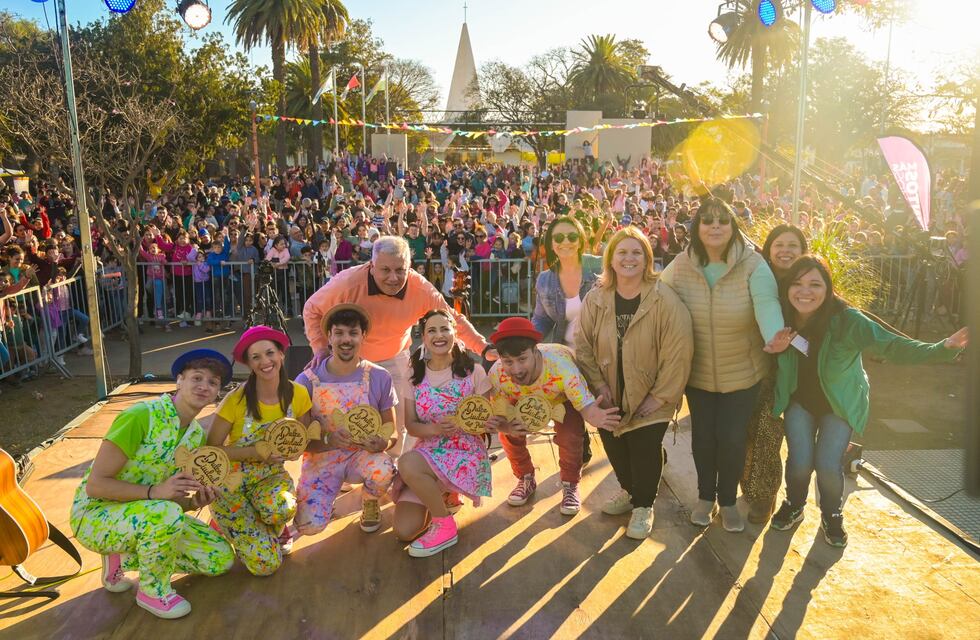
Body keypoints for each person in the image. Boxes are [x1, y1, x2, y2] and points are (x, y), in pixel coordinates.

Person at [764, 256, 968, 547]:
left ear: (829, 288)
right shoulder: (779, 315)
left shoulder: (848, 320)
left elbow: (891, 345)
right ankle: (795, 504)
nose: (804, 291)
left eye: (814, 284)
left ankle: (832, 514)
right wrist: (773, 349)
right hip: (799, 401)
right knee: (799, 462)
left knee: (826, 465)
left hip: (840, 404)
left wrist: (942, 348)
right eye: (797, 284)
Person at [70, 349, 235, 620]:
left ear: (217, 392)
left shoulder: (195, 436)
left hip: (149, 515)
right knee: (166, 514)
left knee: (219, 559)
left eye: (213, 382)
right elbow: (95, 486)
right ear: (179, 380)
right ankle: (152, 591)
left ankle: (121, 556)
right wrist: (154, 492)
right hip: (96, 515)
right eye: (197, 378)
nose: (204, 386)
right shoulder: (141, 416)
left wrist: (194, 502)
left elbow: (169, 499)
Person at [302, 236, 493, 456]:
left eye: (400, 270)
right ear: (372, 266)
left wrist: (484, 348)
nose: (393, 278)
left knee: (398, 419)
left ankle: (390, 469)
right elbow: (311, 309)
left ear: (409, 268)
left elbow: (453, 320)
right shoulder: (348, 282)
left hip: (396, 356)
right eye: (385, 270)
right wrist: (320, 348)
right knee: (346, 418)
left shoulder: (420, 288)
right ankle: (346, 467)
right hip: (351, 360)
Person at [659, 197, 783, 533]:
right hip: (697, 375)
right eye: (707, 220)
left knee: (731, 439)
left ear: (733, 226)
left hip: (742, 375)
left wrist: (773, 336)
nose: (715, 226)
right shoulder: (682, 264)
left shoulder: (753, 265)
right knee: (703, 438)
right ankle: (705, 498)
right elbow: (656, 298)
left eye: (722, 220)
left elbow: (767, 305)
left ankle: (727, 500)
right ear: (697, 228)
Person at [575, 228, 693, 539]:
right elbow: (583, 345)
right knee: (616, 448)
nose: (629, 258)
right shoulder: (596, 299)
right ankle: (630, 491)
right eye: (622, 252)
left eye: (637, 252)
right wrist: (599, 386)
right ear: (610, 259)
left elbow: (678, 350)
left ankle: (643, 506)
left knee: (643, 448)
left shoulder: (664, 299)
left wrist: (660, 395)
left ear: (647, 259)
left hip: (652, 393)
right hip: (610, 392)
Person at [207, 326, 313, 576]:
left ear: (281, 355)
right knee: (266, 567)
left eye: (269, 353)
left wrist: (295, 450)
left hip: (270, 478)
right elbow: (211, 450)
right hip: (231, 484)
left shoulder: (297, 393)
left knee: (282, 508)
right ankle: (224, 521)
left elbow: (303, 436)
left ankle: (271, 524)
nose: (265, 362)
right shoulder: (235, 399)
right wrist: (256, 452)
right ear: (249, 364)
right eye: (256, 357)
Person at [487, 317, 620, 515]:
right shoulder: (497, 373)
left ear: (535, 350)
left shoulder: (562, 366)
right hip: (519, 399)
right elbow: (499, 416)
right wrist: (506, 427)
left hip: (560, 398)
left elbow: (586, 406)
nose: (516, 369)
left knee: (570, 436)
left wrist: (595, 415)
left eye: (522, 359)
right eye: (508, 361)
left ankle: (570, 484)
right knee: (509, 434)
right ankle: (525, 478)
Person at [392, 310, 494, 557]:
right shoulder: (414, 374)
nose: (439, 335)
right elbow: (412, 426)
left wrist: (470, 424)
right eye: (432, 330)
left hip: (464, 454)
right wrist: (436, 429)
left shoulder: (475, 372)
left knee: (407, 463)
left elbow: (484, 420)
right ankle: (443, 494)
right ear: (423, 338)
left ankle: (444, 524)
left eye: (445, 329)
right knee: (403, 531)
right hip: (429, 452)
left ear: (455, 333)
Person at [292, 304, 397, 537]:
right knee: (310, 526)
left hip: (362, 456)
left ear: (363, 336)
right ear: (329, 337)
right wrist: (328, 440)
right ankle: (320, 501)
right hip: (322, 458)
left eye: (353, 333)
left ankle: (370, 501)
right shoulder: (307, 381)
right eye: (339, 333)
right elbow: (300, 441)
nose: (346, 339)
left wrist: (383, 444)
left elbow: (392, 433)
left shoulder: (379, 376)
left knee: (384, 469)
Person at [740, 224, 809, 524]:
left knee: (769, 433)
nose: (785, 250)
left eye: (793, 245)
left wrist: (794, 342)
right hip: (752, 366)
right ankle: (749, 488)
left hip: (791, 374)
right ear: (768, 249)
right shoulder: (756, 277)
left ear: (803, 251)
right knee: (745, 431)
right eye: (779, 244)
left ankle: (765, 495)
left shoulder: (811, 283)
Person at [532, 216, 602, 465]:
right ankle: (579, 453)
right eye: (558, 237)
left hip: (603, 354)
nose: (565, 242)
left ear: (581, 239)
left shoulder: (599, 267)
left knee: (608, 410)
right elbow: (541, 321)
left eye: (572, 236)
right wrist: (526, 344)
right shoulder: (545, 279)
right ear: (551, 243)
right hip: (567, 358)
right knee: (571, 416)